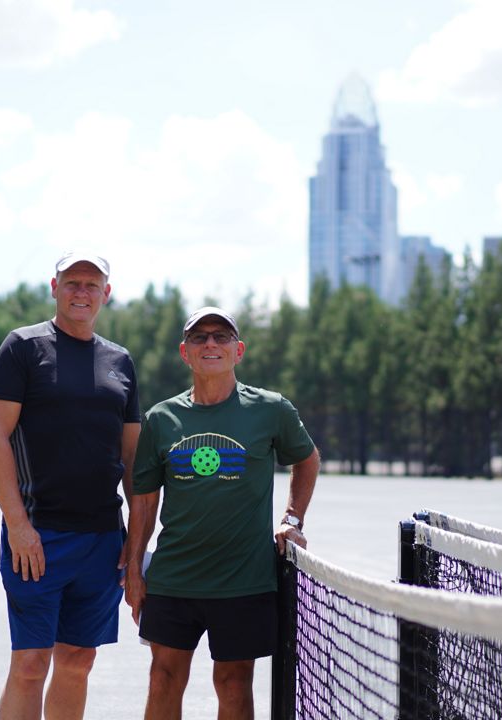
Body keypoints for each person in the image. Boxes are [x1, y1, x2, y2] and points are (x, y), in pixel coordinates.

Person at [124, 306, 320, 720]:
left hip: (244, 581)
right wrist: (135, 570)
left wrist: (292, 518)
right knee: (163, 678)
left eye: (221, 336)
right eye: (199, 337)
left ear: (239, 350)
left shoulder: (271, 410)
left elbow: (307, 459)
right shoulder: (161, 419)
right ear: (184, 352)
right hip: (174, 578)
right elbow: (143, 498)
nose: (210, 343)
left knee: (233, 684)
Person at [0, 251, 141, 720]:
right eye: (73, 282)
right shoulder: (23, 348)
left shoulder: (121, 361)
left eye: (92, 285)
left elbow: (132, 456)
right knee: (30, 664)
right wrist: (19, 526)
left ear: (106, 295)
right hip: (38, 537)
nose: (82, 292)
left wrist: (135, 540)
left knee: (78, 660)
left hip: (102, 541)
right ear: (54, 287)